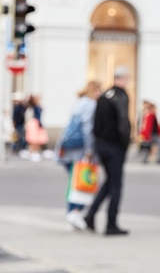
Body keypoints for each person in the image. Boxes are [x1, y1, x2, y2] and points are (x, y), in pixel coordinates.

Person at [83, 66, 131, 236]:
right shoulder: (120, 97)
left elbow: (95, 125)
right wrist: (125, 144)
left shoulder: (104, 96)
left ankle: (90, 215)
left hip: (101, 146)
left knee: (109, 182)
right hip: (115, 147)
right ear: (123, 78)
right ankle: (111, 223)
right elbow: (123, 124)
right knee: (116, 185)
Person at [56, 81, 101, 230]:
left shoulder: (79, 103)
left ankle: (73, 212)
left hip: (68, 147)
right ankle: (74, 211)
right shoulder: (90, 105)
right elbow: (88, 128)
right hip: (79, 149)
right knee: (80, 181)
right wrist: (89, 150)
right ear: (95, 91)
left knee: (73, 180)